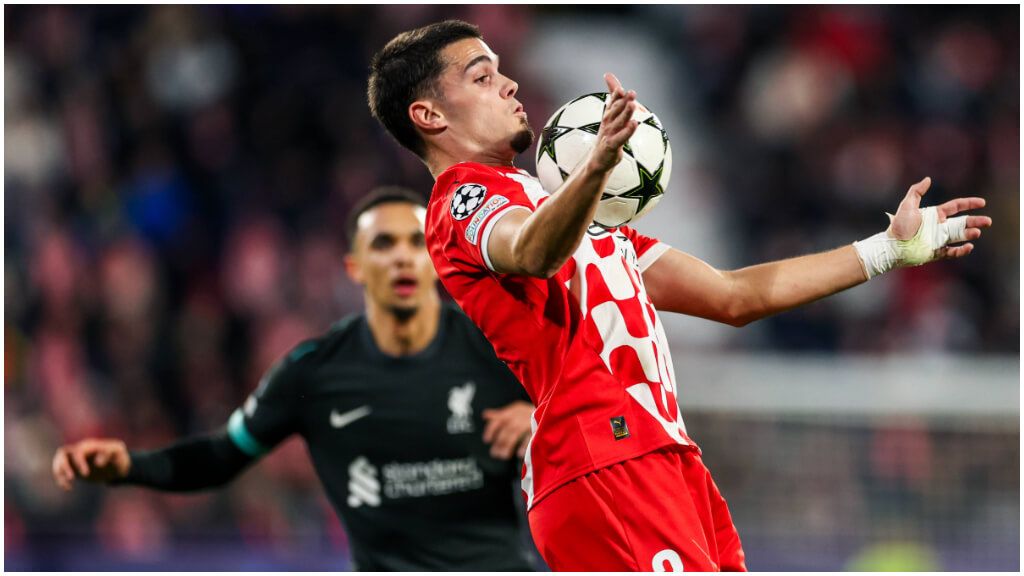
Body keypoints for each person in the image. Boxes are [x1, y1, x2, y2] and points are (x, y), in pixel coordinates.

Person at [366, 20, 992, 572]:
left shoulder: (585, 220)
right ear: (429, 116)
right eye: (481, 78)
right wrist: (595, 166)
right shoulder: (462, 202)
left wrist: (886, 248)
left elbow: (732, 296)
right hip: (602, 461)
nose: (508, 85)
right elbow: (531, 251)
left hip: (665, 456)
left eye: (502, 71)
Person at [52, 187, 538, 571]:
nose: (401, 258)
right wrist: (130, 467)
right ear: (354, 268)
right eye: (383, 245)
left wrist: (540, 420)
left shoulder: (500, 346)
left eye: (416, 243)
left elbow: (603, 412)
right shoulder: (314, 372)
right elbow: (222, 456)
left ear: (435, 259)